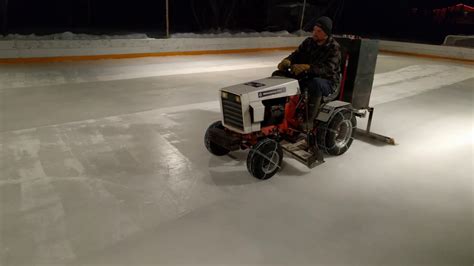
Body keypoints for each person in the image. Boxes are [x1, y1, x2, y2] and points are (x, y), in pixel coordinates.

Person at [274, 16, 341, 129]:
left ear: (326, 33)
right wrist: (288, 60)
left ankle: (309, 121)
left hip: (328, 82)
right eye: (314, 30)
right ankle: (279, 111)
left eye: (319, 31)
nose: (314, 33)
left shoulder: (334, 48)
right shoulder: (308, 42)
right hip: (307, 76)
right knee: (278, 75)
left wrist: (308, 68)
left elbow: (328, 69)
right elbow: (296, 55)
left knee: (315, 83)